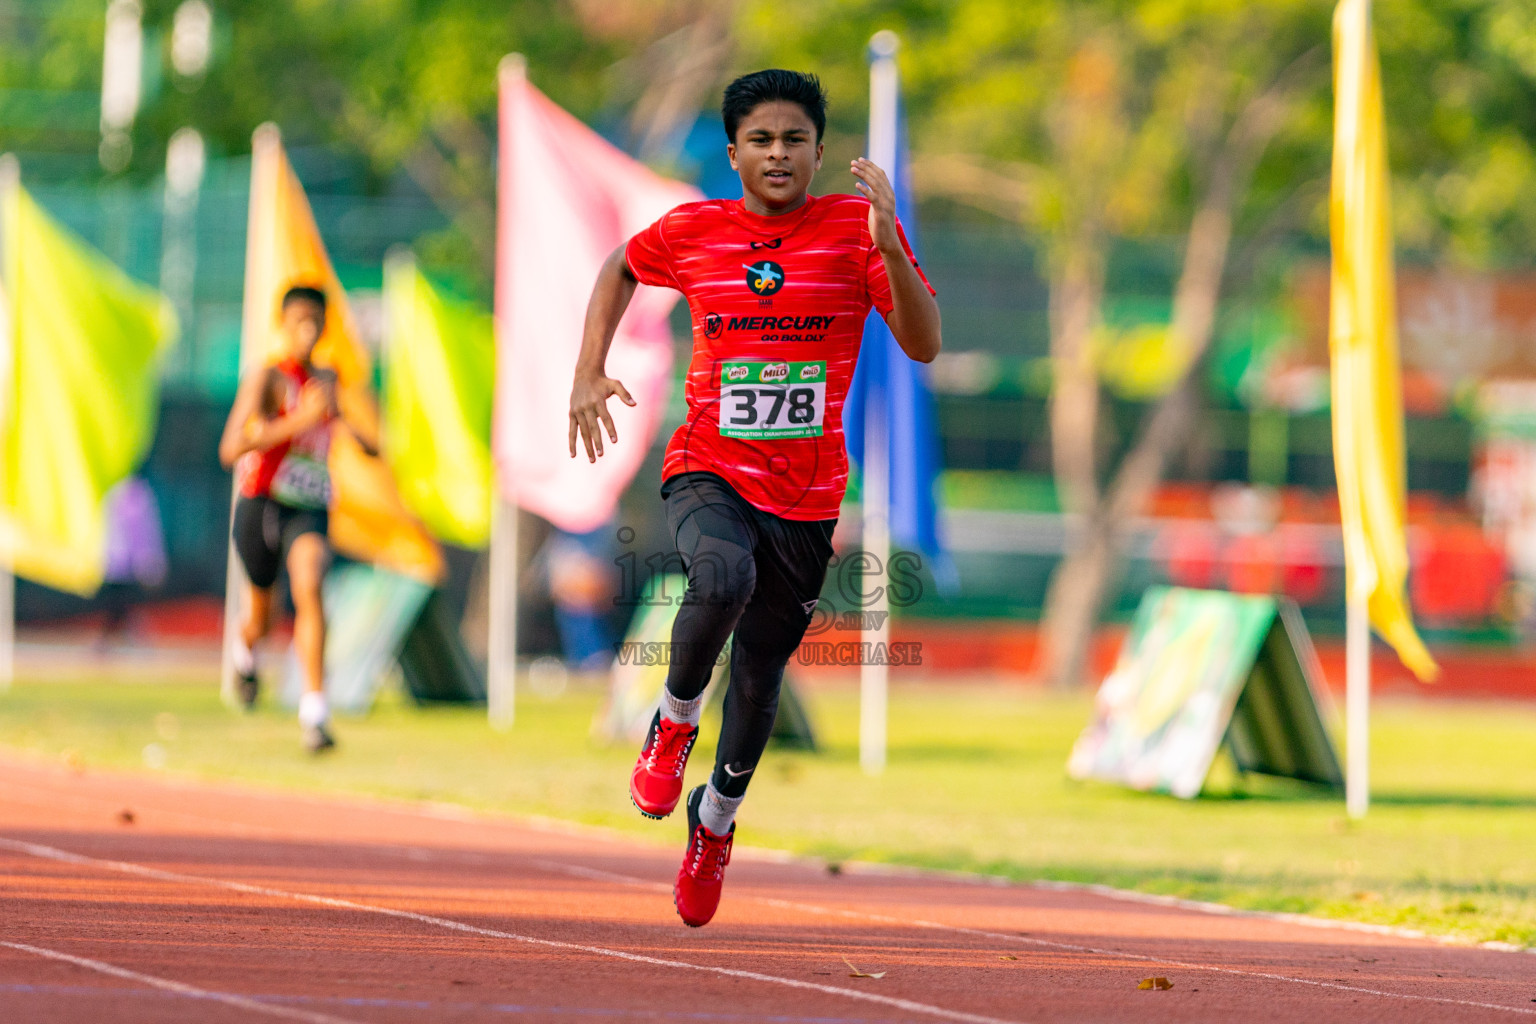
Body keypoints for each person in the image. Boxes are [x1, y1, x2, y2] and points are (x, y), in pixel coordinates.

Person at [568, 69, 941, 927]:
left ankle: (717, 821)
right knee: (720, 578)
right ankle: (671, 721)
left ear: (819, 149)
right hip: (708, 466)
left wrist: (889, 246)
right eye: (762, 141)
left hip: (807, 495)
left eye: (795, 140)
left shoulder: (858, 231)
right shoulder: (695, 230)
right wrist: (589, 370)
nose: (779, 154)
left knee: (766, 667)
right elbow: (618, 267)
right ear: (733, 152)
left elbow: (923, 346)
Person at [218, 284, 380, 753]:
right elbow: (231, 449)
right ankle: (245, 653)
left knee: (310, 587)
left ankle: (315, 712)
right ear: (284, 324)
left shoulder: (329, 379)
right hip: (262, 504)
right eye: (299, 322)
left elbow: (370, 445)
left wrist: (341, 418)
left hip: (308, 507)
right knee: (261, 620)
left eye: (316, 322)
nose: (308, 331)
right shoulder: (268, 378)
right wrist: (301, 420)